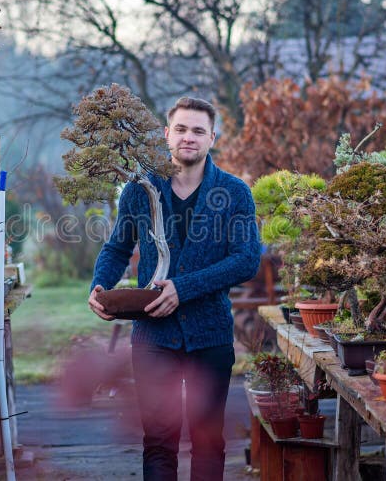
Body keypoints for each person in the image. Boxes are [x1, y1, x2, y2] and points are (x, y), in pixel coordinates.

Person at [88, 96, 261, 480]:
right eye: (181, 129)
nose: (188, 137)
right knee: (159, 440)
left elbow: (247, 259)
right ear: (166, 134)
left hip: (211, 334)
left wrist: (183, 288)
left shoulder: (234, 193)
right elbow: (117, 247)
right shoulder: (139, 189)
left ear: (212, 137)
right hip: (153, 336)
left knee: (208, 440)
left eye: (198, 130)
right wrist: (101, 284)